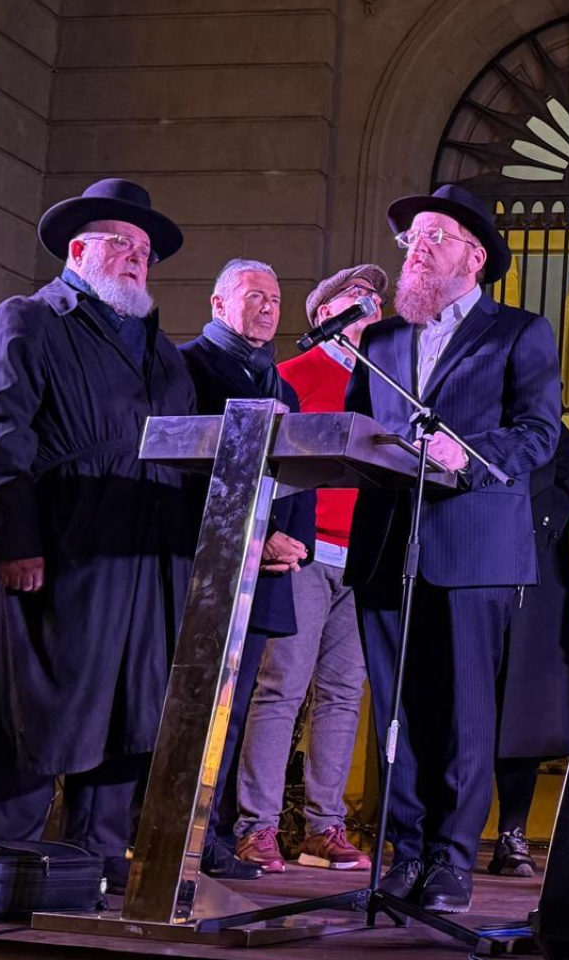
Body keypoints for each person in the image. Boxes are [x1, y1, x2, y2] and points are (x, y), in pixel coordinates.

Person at [0, 178, 196, 892]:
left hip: (149, 551)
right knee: (40, 706)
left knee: (131, 708)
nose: (138, 258)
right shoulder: (28, 318)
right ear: (79, 250)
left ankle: (98, 864)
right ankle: (6, 866)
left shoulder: (164, 351)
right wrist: (11, 538)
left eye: (145, 250)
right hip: (64, 541)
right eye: (123, 243)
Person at [347, 184, 560, 913]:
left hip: (473, 544)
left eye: (434, 235)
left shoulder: (518, 333)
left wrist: (465, 454)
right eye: (412, 237)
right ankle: (405, 850)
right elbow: (356, 429)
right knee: (397, 711)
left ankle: (451, 857)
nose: (417, 247)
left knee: (465, 710)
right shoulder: (379, 341)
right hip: (387, 545)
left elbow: (540, 432)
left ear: (475, 256)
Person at [232, 264, 383, 875]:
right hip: (306, 553)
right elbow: (262, 462)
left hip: (363, 560)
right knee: (282, 689)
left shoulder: (385, 385)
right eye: (357, 298)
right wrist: (269, 533)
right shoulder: (293, 374)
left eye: (376, 300)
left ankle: (324, 827)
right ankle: (257, 826)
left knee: (344, 695)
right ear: (324, 314)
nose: (371, 307)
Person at [173, 258, 315, 880]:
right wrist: (247, 538)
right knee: (188, 709)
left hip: (263, 573)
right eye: (254, 295)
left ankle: (206, 837)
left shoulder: (281, 386)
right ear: (217, 303)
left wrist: (292, 542)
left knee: (228, 714)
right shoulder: (186, 367)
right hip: (204, 570)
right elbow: (179, 468)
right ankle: (165, 836)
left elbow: (300, 474)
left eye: (276, 299)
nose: (268, 307)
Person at [489, 431, 569, 876]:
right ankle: (451, 834)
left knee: (522, 712)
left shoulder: (554, 436)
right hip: (476, 568)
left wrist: (527, 532)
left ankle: (512, 831)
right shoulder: (481, 418)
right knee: (468, 708)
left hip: (534, 577)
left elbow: (566, 490)